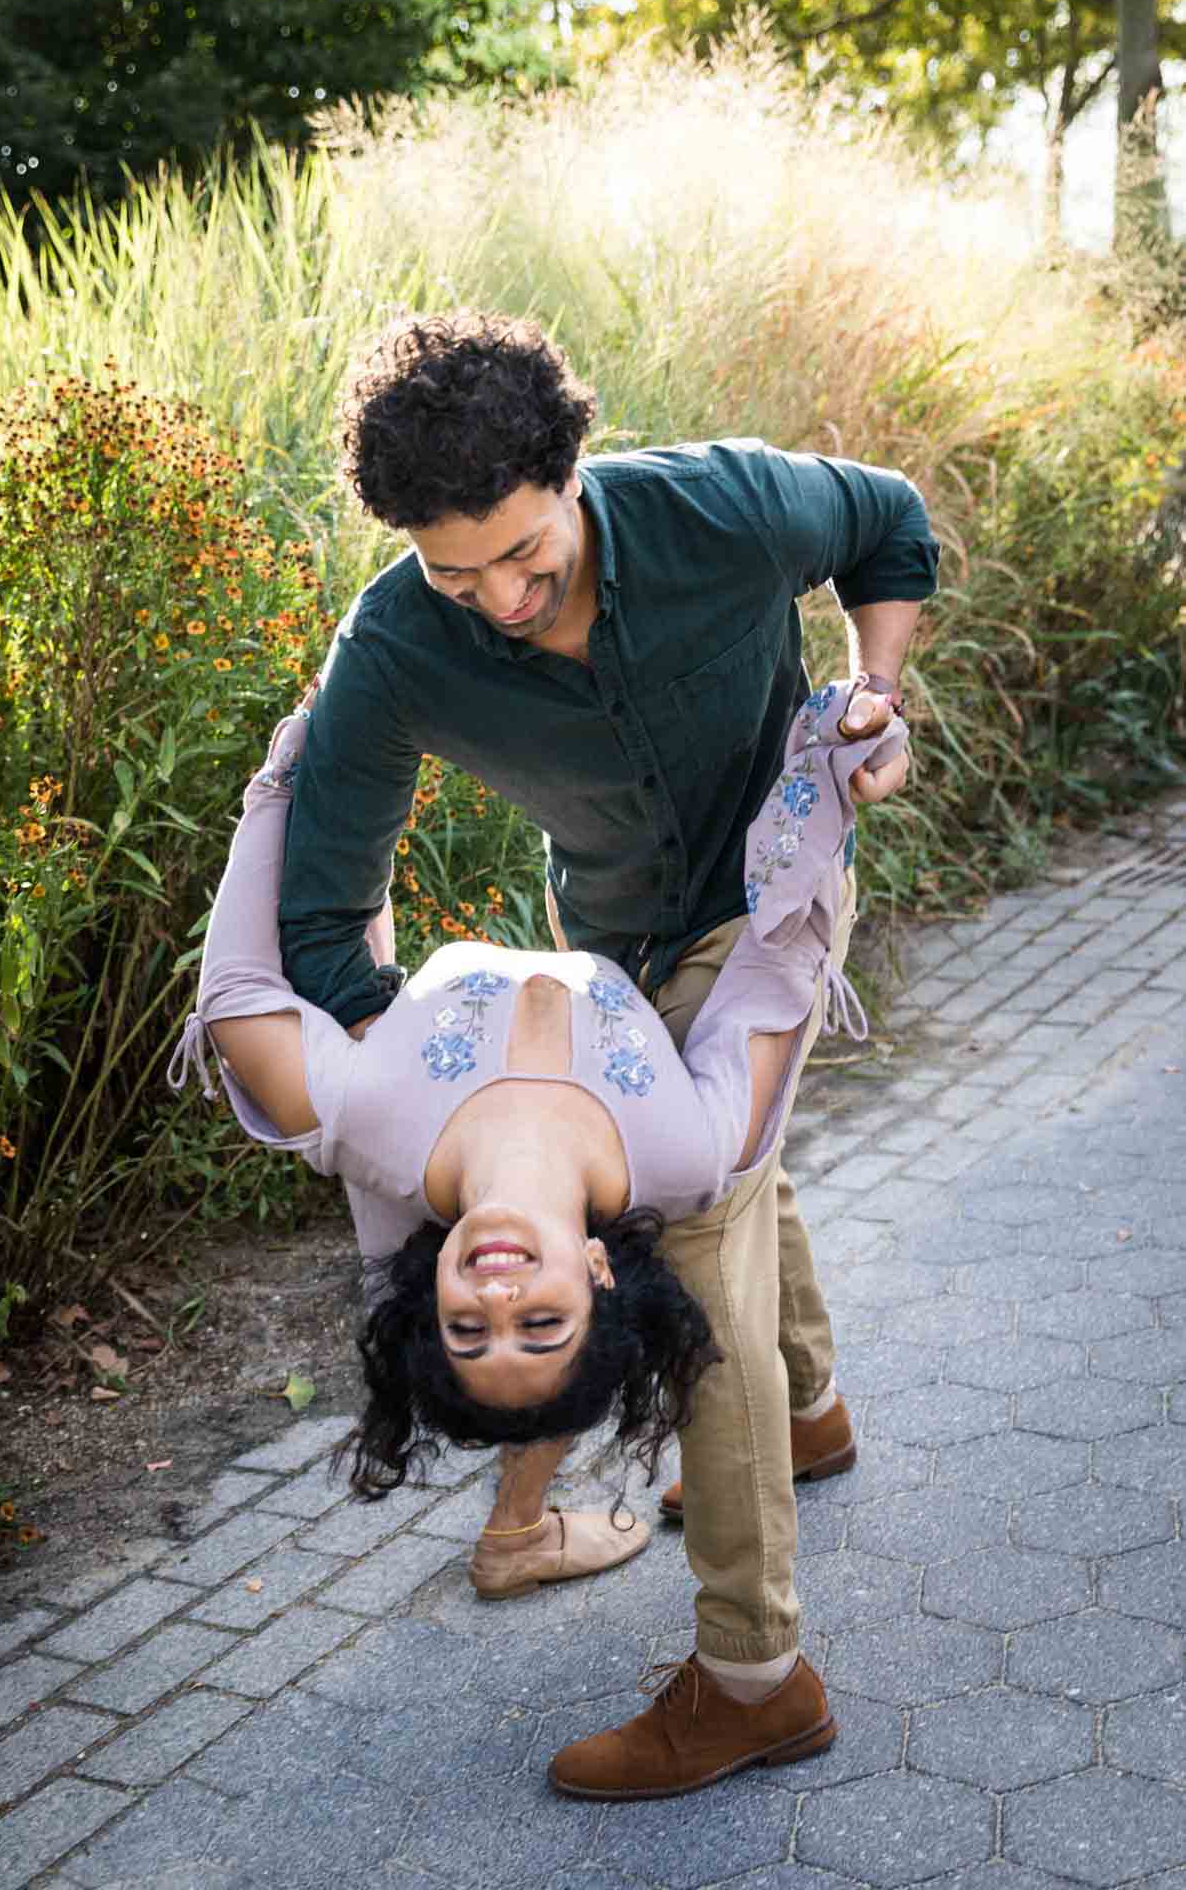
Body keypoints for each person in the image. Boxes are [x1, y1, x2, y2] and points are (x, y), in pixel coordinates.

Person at [219, 309, 933, 1797]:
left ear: (573, 476)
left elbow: (889, 522)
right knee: (721, 1156)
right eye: (452, 569)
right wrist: (447, 1067)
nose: (496, 595)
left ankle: (753, 1671)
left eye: (522, 552)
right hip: (598, 941)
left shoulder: (719, 508)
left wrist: (877, 692)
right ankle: (810, 1414)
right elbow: (320, 923)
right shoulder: (398, 640)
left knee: (703, 1227)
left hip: (771, 888)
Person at [169, 683, 906, 1608]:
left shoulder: (358, 1124)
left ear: (433, 1294)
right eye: (538, 1321)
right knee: (750, 1195)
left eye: (467, 1325)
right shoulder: (684, 1156)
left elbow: (236, 995)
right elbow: (772, 971)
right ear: (597, 1272)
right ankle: (801, 1425)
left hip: (455, 881)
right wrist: (827, 765)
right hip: (621, 905)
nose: (498, 1295)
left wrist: (293, 773)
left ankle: (565, 1512)